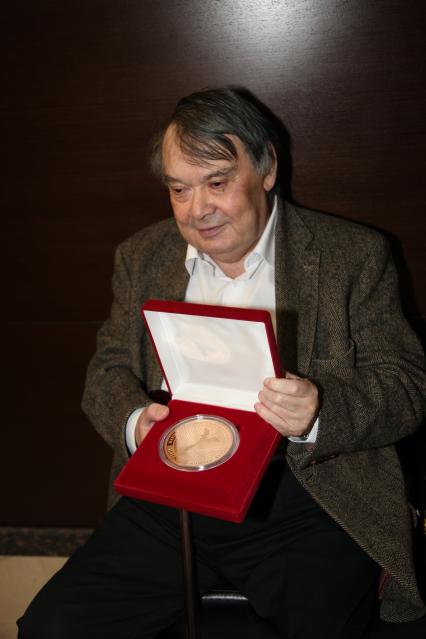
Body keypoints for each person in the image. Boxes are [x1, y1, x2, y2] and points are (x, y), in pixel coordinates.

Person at [18, 87, 426, 639]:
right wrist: (137, 424)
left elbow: (406, 386)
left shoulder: (352, 255)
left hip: (307, 497)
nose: (197, 210)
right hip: (172, 499)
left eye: (216, 183)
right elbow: (106, 372)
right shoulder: (142, 256)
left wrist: (319, 411)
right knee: (52, 627)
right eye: (178, 189)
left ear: (267, 169)